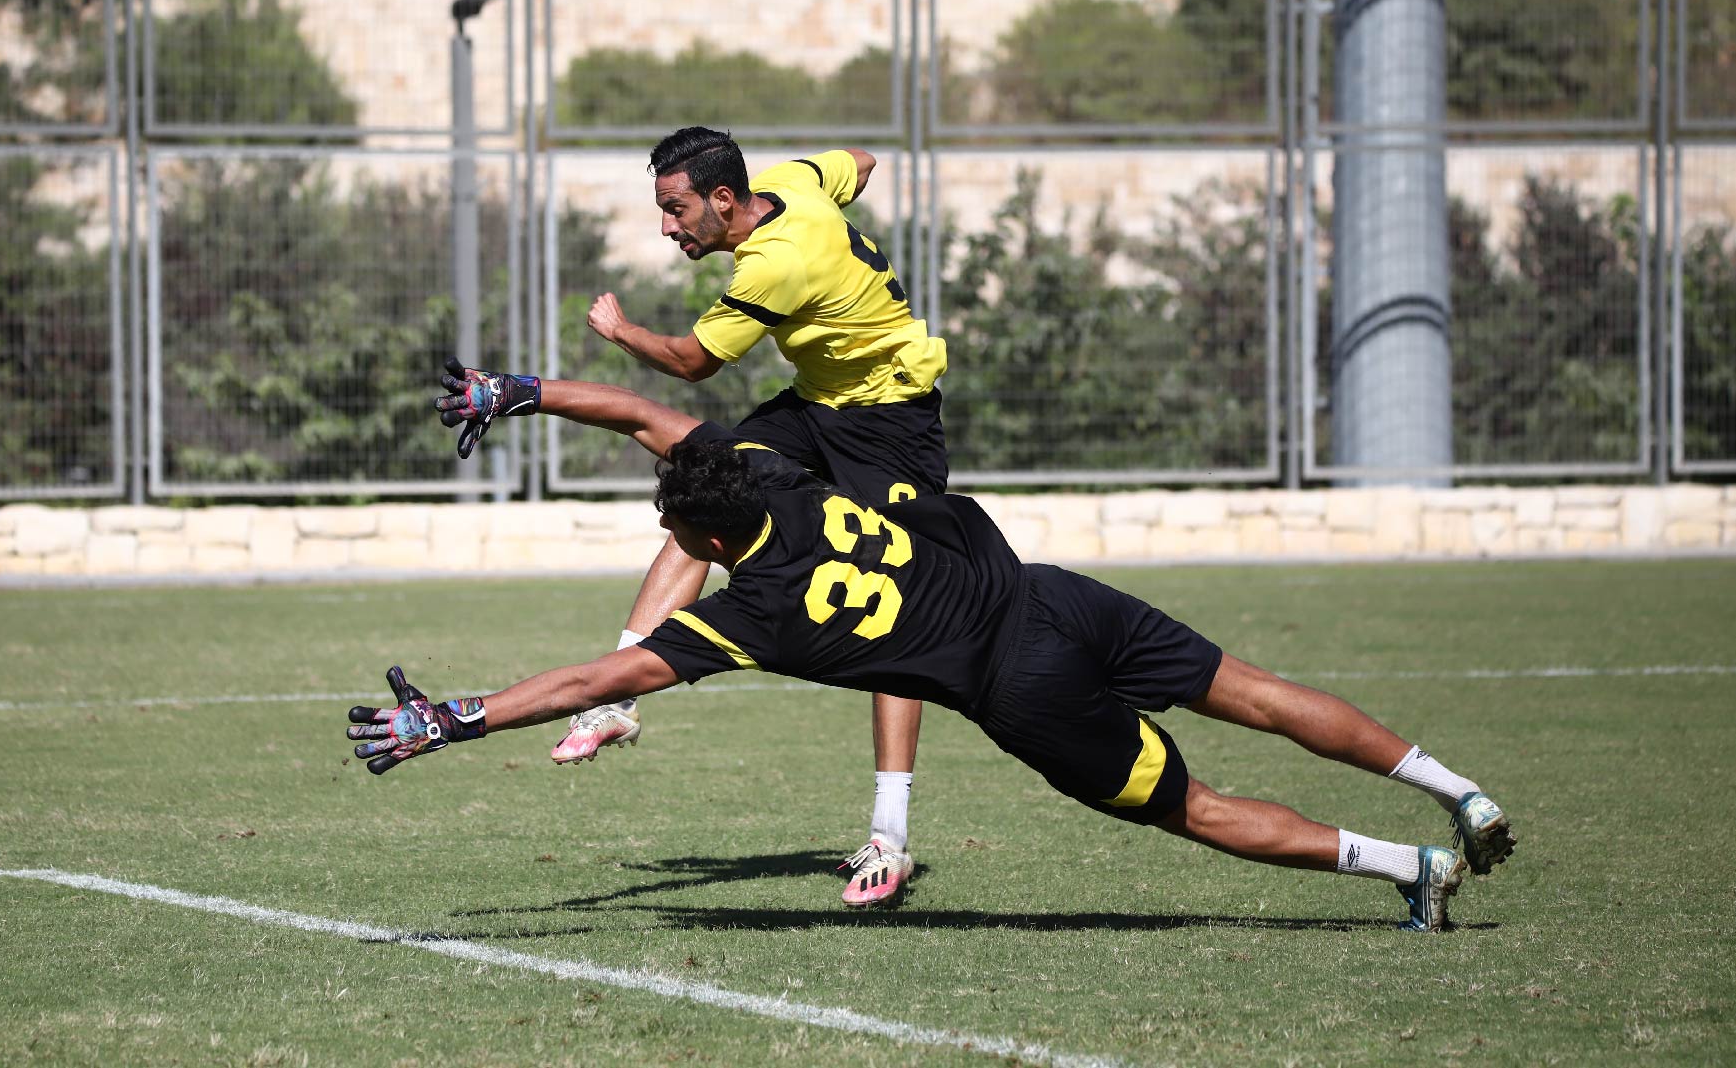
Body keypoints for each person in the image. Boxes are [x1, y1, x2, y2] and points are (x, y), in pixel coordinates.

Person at [369, 367, 1519, 931]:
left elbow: (593, 679)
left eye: (673, 528)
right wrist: (521, 391)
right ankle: (1453, 787)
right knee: (1255, 692)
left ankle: (1408, 869)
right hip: (1053, 596)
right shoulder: (772, 471)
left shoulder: (746, 615)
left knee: (1196, 808)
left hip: (1024, 689)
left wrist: (455, 717)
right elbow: (636, 411)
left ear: (707, 541)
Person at [571, 126, 949, 907]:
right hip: (815, 406)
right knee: (704, 488)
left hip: (891, 424)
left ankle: (888, 836)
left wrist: (619, 330)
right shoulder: (796, 181)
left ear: (722, 199)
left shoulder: (773, 261)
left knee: (898, 615)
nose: (667, 226)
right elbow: (863, 160)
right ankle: (616, 697)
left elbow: (690, 363)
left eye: (676, 209)